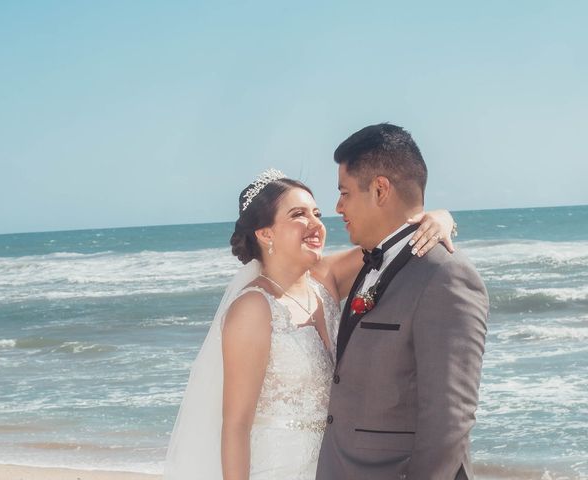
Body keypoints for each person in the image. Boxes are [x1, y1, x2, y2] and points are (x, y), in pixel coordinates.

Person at [164, 168, 455, 480]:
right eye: (298, 214)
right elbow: (236, 425)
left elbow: (396, 244)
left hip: (336, 467)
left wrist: (440, 218)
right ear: (265, 233)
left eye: (316, 213)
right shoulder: (254, 308)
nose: (316, 223)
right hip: (279, 469)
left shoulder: (324, 282)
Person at [316, 124, 489, 480]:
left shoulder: (445, 275)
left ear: (380, 189)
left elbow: (450, 417)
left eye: (344, 193)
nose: (337, 207)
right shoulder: (372, 262)